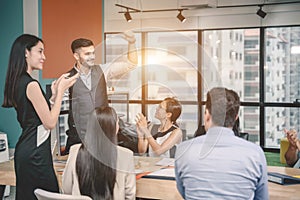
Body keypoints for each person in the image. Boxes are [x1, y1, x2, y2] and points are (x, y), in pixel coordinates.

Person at [2, 34, 78, 200]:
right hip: (34, 153)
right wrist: (62, 92)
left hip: (27, 149)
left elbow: (35, 114)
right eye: (40, 51)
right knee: (49, 195)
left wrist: (55, 93)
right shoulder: (32, 84)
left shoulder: (18, 81)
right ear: (26, 53)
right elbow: (50, 122)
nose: (44, 57)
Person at [175, 87, 269, 199]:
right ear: (236, 118)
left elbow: (184, 193)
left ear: (207, 114)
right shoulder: (255, 153)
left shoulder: (183, 150)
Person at [65, 31, 138, 154]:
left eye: (93, 53)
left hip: (104, 135)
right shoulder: (66, 79)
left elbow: (131, 64)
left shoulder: (103, 70)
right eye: (87, 54)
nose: (92, 57)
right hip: (79, 139)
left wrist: (132, 42)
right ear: (76, 56)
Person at [62, 106, 136, 199]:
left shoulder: (75, 150)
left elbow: (66, 188)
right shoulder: (126, 155)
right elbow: (130, 195)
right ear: (114, 127)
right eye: (117, 122)